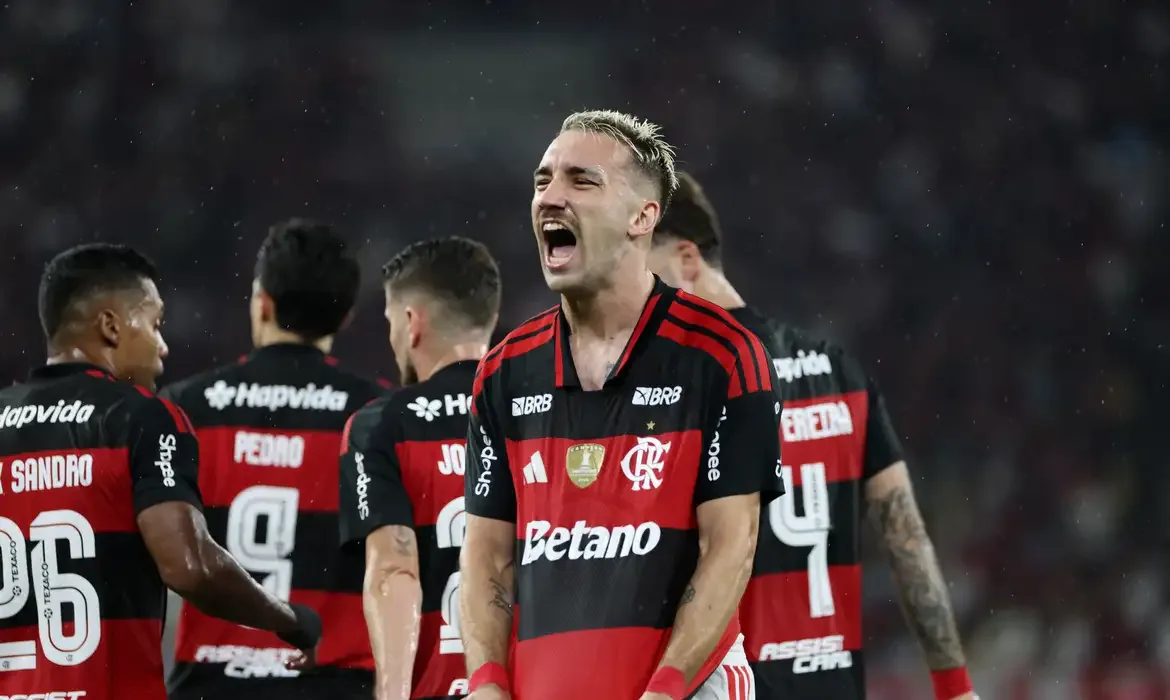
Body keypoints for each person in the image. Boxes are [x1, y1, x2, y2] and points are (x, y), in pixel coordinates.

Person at [460, 110, 783, 700]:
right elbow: (487, 558)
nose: (550, 197)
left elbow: (728, 548)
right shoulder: (504, 372)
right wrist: (485, 684)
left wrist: (665, 691)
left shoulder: (723, 356)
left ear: (643, 217)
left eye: (582, 181)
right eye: (542, 181)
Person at [646, 171, 977, 700]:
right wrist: (955, 687)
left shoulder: (686, 386)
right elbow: (906, 537)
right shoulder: (838, 370)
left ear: (686, 261)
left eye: (641, 272)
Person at [0, 243, 321, 700]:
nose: (163, 346)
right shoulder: (140, 416)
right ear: (111, 326)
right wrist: (288, 620)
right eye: (155, 324)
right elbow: (191, 567)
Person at [160, 221, 387, 699]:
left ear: (262, 302)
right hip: (333, 685)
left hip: (210, 685)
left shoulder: (185, 409)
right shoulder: (377, 415)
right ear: (344, 315)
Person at [338, 236, 502, 700]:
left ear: (411, 323)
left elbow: (395, 570)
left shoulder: (382, 424)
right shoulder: (537, 414)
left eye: (391, 323)